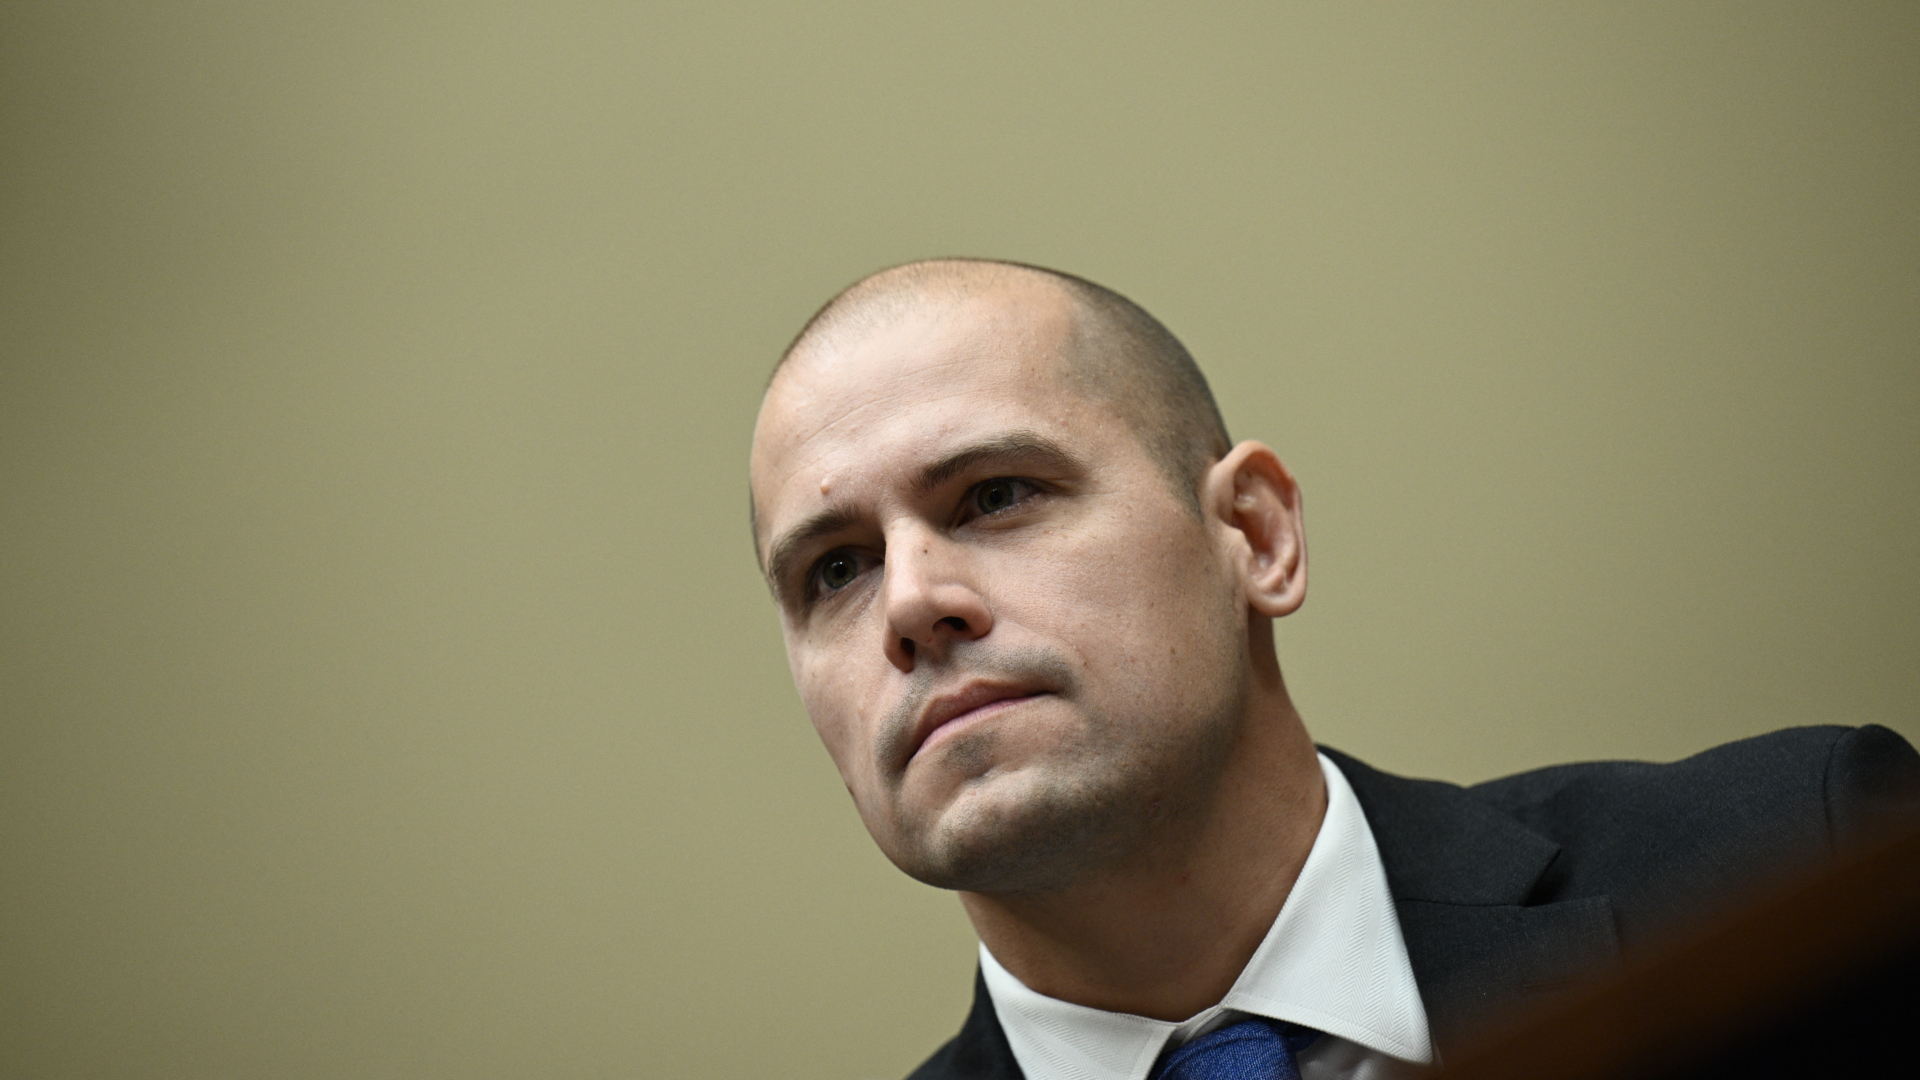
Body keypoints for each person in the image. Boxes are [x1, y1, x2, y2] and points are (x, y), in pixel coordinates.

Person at [746, 258, 1919, 1080]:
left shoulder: (1805, 869)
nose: (910, 603)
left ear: (1254, 535)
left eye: (996, 495)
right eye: (835, 572)